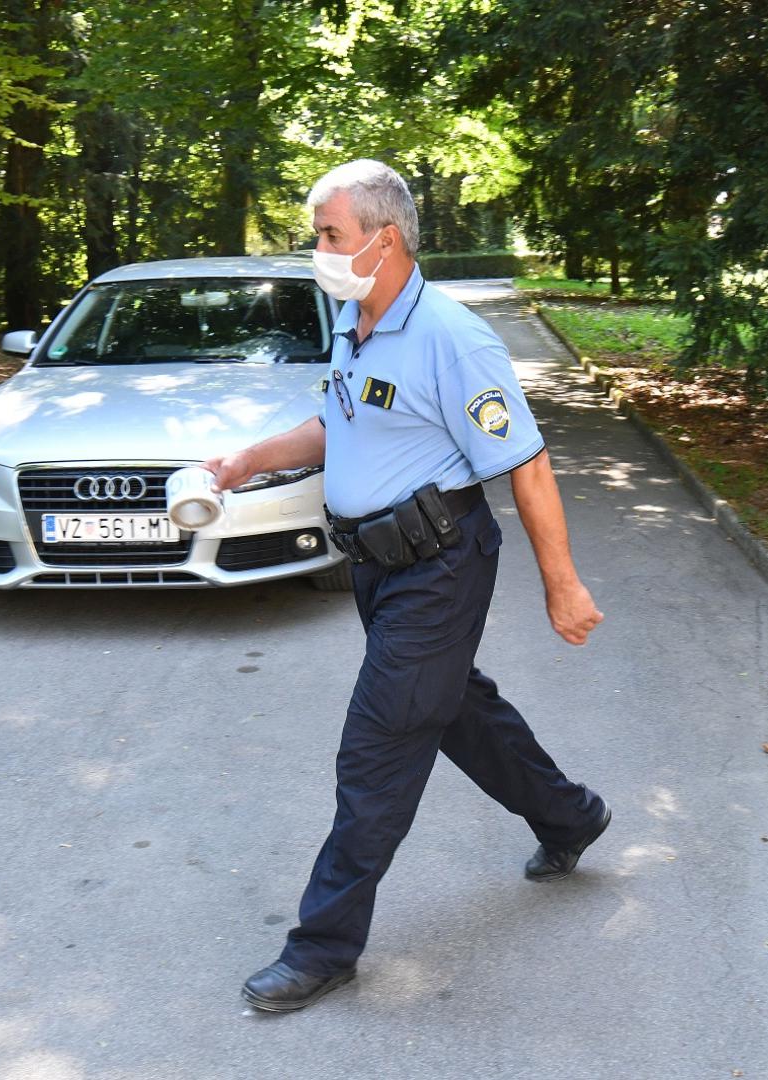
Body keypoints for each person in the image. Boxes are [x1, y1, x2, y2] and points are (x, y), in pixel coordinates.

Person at [205, 159, 609, 1013]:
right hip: (377, 569)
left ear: (383, 241)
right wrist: (249, 459)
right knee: (454, 707)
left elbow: (526, 462)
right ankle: (571, 817)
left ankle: (321, 947)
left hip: (438, 568)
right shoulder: (354, 320)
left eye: (329, 235)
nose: (317, 249)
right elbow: (337, 419)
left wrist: (562, 585)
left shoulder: (454, 340)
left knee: (378, 748)